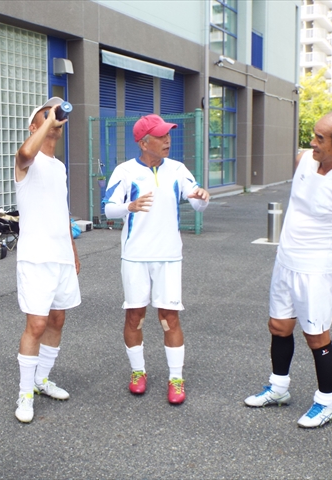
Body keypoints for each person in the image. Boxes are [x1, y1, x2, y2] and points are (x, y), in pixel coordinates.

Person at [244, 109, 332, 428]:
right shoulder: (304, 161)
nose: (312, 142)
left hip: (316, 272)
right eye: (314, 135)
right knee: (278, 326)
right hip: (285, 262)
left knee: (317, 338)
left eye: (320, 138)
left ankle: (326, 403)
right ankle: (278, 388)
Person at [103, 114, 209, 404]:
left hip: (169, 256)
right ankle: (138, 372)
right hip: (135, 256)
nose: (167, 140)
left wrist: (202, 196)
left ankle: (176, 378)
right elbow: (108, 208)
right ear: (143, 142)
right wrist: (129, 206)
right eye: (161, 136)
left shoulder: (177, 169)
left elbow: (197, 203)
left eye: (168, 135)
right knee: (134, 316)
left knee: (169, 317)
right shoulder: (125, 171)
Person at [13, 97, 81, 423]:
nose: (54, 117)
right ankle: (25, 393)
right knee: (37, 324)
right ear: (33, 127)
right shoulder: (26, 160)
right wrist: (48, 121)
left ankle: (42, 380)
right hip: (35, 256)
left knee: (57, 320)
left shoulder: (59, 167)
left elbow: (61, 211)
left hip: (61, 256)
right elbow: (26, 154)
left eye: (56, 113)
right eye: (45, 113)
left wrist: (73, 251)